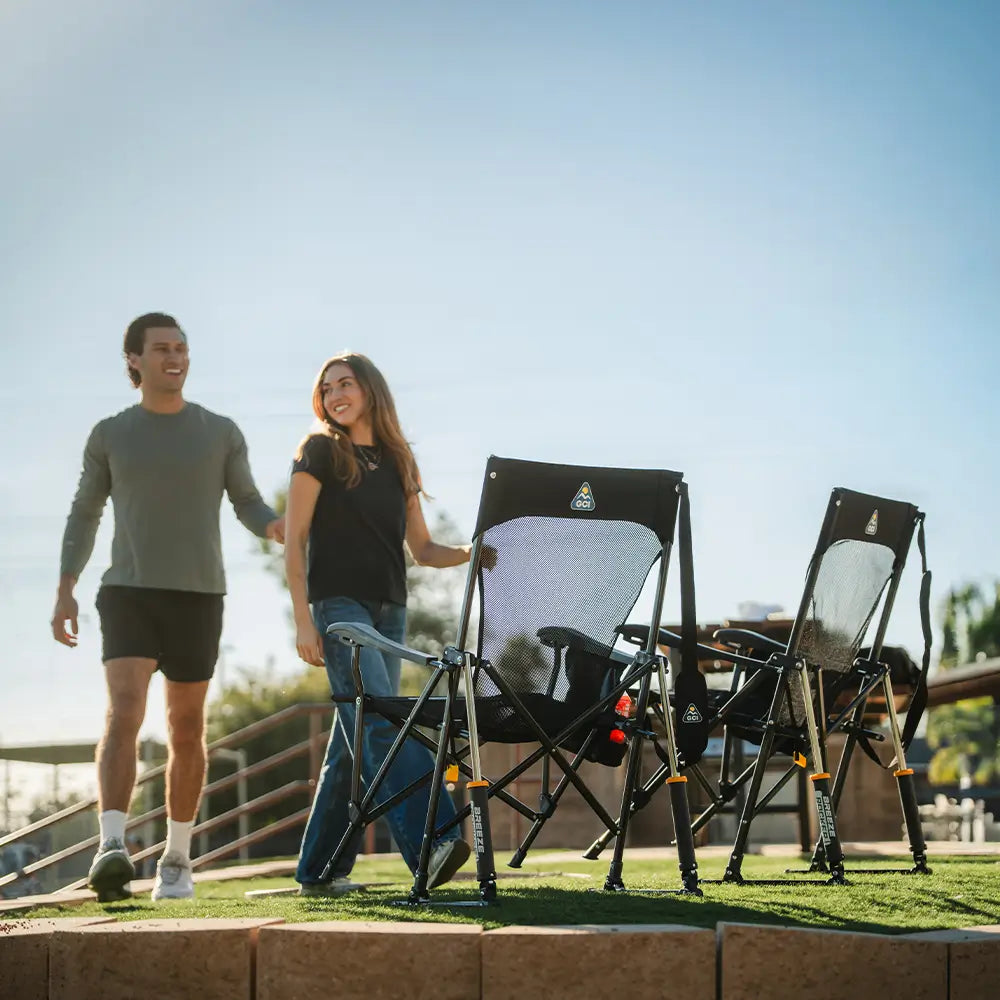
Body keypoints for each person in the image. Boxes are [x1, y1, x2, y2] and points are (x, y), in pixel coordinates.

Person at [51, 312, 284, 902]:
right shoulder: (110, 434)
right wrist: (65, 586)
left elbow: (249, 502)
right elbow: (84, 512)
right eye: (161, 349)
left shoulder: (220, 431)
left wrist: (280, 527)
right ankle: (111, 844)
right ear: (134, 360)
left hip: (199, 595)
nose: (174, 357)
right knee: (124, 710)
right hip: (128, 591)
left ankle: (177, 860)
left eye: (181, 347)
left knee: (185, 726)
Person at [286, 352, 475, 896]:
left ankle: (317, 871)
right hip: (338, 607)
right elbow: (295, 541)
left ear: (370, 390)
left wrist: (470, 550)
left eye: (345, 383)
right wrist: (305, 621)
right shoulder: (319, 451)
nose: (334, 394)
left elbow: (422, 549)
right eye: (326, 388)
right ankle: (433, 843)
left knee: (355, 737)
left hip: (390, 610)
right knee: (382, 723)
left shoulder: (398, 460)